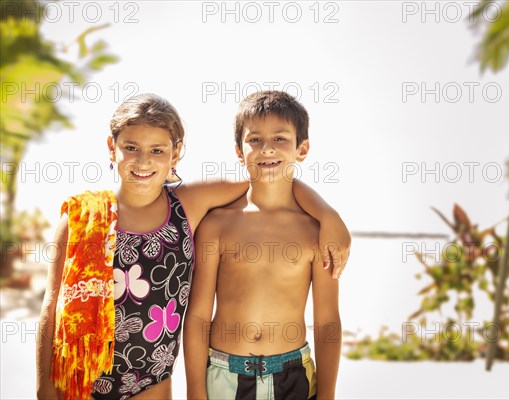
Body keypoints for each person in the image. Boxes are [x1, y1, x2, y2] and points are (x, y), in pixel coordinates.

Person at [35, 93, 350, 400]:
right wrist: (44, 389)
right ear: (111, 147)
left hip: (156, 383)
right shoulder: (84, 218)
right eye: (131, 147)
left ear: (175, 154)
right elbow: (51, 308)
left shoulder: (185, 207)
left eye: (157, 150)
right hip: (82, 377)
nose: (143, 160)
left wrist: (328, 214)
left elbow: (269, 179)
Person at [184, 91, 342, 399]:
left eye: (280, 139)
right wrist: (194, 392)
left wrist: (328, 394)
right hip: (224, 375)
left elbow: (326, 321)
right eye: (255, 140)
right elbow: (199, 315)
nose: (267, 149)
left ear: (302, 148)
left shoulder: (316, 231)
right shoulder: (217, 224)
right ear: (239, 151)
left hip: (294, 374)